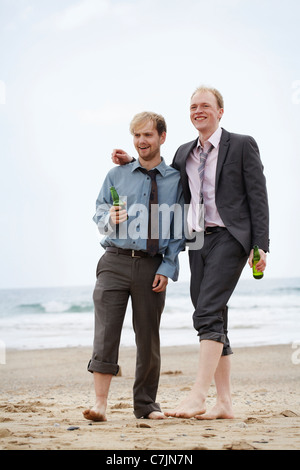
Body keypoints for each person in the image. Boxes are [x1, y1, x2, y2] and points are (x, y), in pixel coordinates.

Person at [111, 86, 270, 420]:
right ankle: (224, 403)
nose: (199, 111)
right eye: (193, 106)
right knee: (214, 314)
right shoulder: (185, 152)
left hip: (231, 236)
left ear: (220, 111)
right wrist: (131, 161)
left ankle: (198, 395)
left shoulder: (241, 145)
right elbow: (163, 175)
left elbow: (258, 196)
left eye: (206, 106)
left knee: (206, 313)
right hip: (196, 240)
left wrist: (261, 246)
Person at [84, 112, 185, 422]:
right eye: (137, 136)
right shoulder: (117, 175)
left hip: (151, 266)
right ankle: (100, 404)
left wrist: (168, 267)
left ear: (162, 137)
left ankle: (146, 405)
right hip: (113, 260)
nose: (142, 141)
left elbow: (179, 229)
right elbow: (98, 213)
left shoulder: (176, 180)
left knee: (148, 337)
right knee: (106, 333)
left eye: (148, 135)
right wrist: (106, 220)